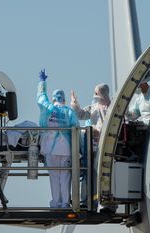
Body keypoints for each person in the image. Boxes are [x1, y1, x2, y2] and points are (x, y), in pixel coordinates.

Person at [37, 69, 79, 208]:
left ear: (54, 98)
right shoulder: (69, 111)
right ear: (64, 98)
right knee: (65, 177)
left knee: (54, 177)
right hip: (66, 149)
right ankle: (66, 203)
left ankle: (56, 202)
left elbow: (41, 98)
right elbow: (76, 130)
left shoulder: (48, 108)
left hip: (50, 148)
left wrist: (42, 82)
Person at [70, 83, 111, 207]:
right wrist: (74, 103)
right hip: (94, 146)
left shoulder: (114, 107)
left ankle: (107, 204)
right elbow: (80, 114)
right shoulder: (93, 107)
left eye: (97, 93)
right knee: (90, 173)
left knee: (108, 175)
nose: (95, 95)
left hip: (110, 146)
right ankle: (87, 201)